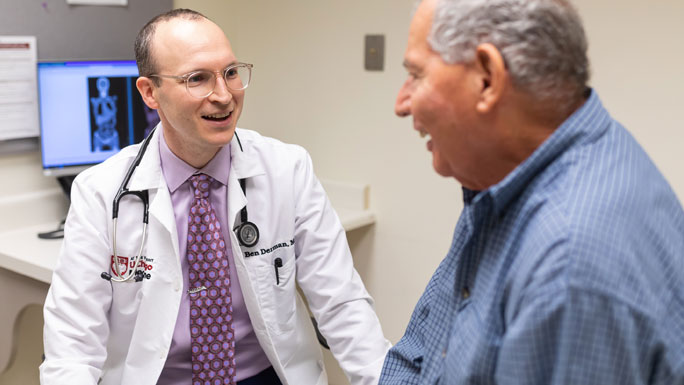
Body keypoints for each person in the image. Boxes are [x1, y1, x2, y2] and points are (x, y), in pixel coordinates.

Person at [40, 9, 390, 385]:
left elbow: (341, 303)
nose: (223, 96)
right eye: (198, 79)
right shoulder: (101, 193)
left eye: (231, 72)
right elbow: (73, 344)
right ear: (149, 92)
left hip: (265, 376)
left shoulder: (287, 170)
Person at [380, 0, 684, 383]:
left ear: (488, 78)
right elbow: (421, 352)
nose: (402, 103)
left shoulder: (568, 259)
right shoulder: (502, 180)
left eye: (417, 75)